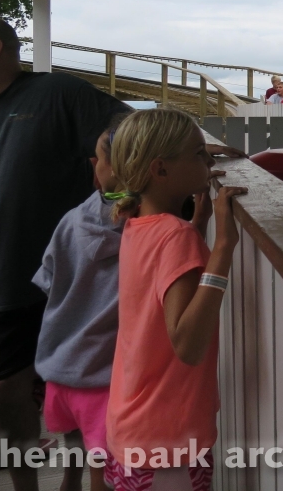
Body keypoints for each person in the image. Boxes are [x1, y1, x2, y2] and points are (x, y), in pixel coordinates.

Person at [0, 17, 131, 490]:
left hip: (71, 280)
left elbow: (132, 136)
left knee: (73, 391)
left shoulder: (60, 93)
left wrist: (118, 201)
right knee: (5, 393)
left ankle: (74, 480)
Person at [104, 108, 246, 491]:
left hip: (132, 426)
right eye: (199, 154)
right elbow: (187, 344)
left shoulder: (137, 224)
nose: (209, 160)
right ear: (160, 170)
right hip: (167, 444)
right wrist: (224, 247)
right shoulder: (174, 235)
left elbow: (167, 281)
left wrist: (198, 224)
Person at [30, 115, 130, 491]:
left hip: (61, 369)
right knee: (105, 472)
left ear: (100, 171)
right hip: (105, 378)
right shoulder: (150, 234)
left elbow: (47, 282)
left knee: (80, 453)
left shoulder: (71, 222)